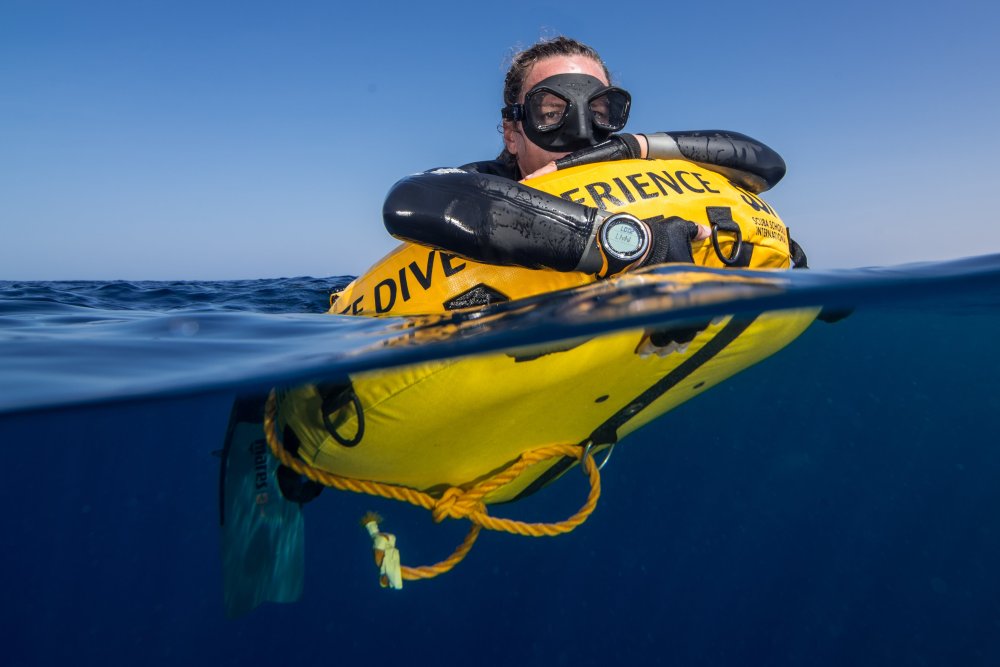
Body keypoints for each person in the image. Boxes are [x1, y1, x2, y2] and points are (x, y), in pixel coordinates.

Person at [382, 36, 792, 279]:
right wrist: (634, 245)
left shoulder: (645, 170)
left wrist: (633, 147)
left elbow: (766, 163)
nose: (582, 133)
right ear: (512, 133)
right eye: (550, 114)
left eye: (600, 113)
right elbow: (408, 200)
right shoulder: (491, 184)